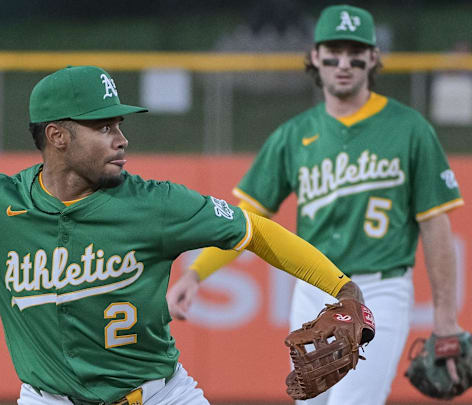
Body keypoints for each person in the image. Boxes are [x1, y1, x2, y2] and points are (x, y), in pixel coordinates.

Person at [0, 49, 368, 405]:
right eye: (105, 126)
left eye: (120, 124)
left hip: (160, 396)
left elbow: (255, 231)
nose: (122, 139)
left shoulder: (155, 203)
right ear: (58, 136)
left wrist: (343, 288)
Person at [167, 4, 465, 405]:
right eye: (333, 51)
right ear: (314, 57)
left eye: (355, 51)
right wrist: (196, 274)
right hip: (316, 289)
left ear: (373, 58)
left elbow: (436, 226)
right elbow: (248, 219)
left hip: (380, 288)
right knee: (309, 398)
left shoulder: (410, 129)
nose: (344, 62)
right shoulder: (295, 135)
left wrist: (446, 319)